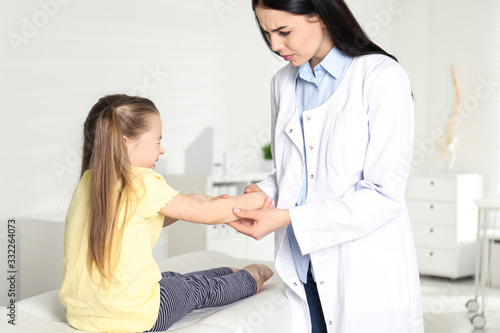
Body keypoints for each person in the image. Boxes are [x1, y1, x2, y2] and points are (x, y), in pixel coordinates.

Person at [227, 1, 424, 332]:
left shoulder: (380, 76)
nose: (275, 45)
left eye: (283, 31)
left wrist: (287, 217)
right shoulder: (282, 84)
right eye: (266, 33)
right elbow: (296, 173)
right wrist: (264, 190)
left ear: (318, 14)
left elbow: (383, 194)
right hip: (303, 269)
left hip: (362, 270)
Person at [59, 94, 274, 333]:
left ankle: (227, 271)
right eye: (157, 141)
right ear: (125, 142)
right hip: (136, 318)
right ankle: (249, 279)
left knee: (171, 279)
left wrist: (206, 202)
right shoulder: (140, 181)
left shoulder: (90, 183)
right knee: (195, 289)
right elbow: (204, 212)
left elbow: (179, 208)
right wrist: (264, 195)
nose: (162, 149)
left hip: (82, 315)